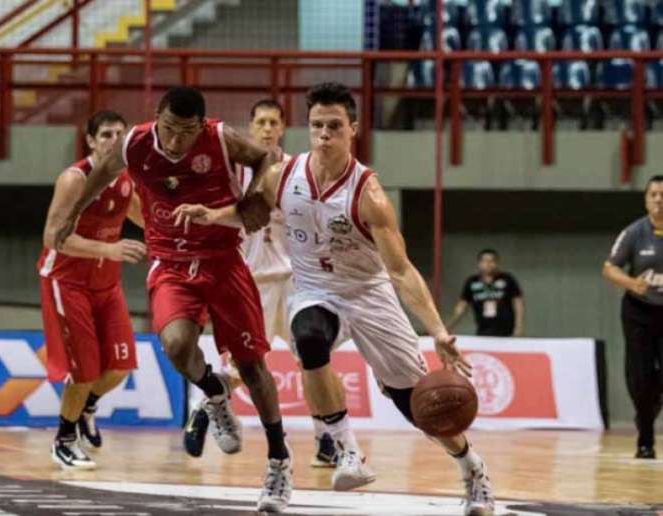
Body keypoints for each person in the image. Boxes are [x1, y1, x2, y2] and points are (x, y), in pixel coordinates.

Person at [174, 82, 496, 514]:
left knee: (419, 405)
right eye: (317, 125)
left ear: (353, 130)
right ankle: (346, 449)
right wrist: (212, 215)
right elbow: (249, 215)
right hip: (314, 289)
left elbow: (400, 270)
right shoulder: (282, 176)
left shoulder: (369, 194)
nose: (324, 134)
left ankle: (472, 469)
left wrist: (438, 329)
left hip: (369, 295)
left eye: (334, 126)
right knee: (308, 339)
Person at [48, 87, 292, 513]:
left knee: (253, 367)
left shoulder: (221, 138)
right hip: (172, 263)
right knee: (177, 345)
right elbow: (102, 172)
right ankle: (214, 395)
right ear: (155, 117)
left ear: (200, 124)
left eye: (186, 131)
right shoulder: (136, 143)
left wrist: (254, 199)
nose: (177, 140)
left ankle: (279, 461)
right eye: (169, 129)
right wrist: (72, 214)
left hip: (223, 259)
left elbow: (265, 158)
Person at [182, 99, 345, 470]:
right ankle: (203, 407)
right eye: (261, 123)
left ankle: (326, 440)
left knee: (314, 360)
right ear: (251, 127)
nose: (268, 129)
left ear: (283, 127)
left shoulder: (298, 170)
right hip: (251, 281)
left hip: (296, 280)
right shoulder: (234, 173)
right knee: (244, 368)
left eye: (274, 122)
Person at [38, 110, 147, 470]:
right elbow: (53, 238)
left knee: (121, 365)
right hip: (67, 281)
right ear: (90, 140)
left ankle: (87, 406)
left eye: (120, 134)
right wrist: (108, 249)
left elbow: (144, 219)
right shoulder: (74, 179)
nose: (114, 141)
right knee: (83, 371)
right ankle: (64, 440)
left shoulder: (126, 178)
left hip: (106, 284)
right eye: (105, 135)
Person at [602, 175, 663, 460]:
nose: (659, 200)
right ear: (646, 199)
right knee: (639, 377)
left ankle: (651, 405)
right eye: (653, 194)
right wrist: (630, 283)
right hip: (639, 311)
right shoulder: (635, 232)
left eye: (662, 195)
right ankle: (645, 439)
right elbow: (609, 268)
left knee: (657, 380)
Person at [447, 249, 525, 337]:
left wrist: (519, 326)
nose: (488, 264)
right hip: (483, 328)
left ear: (496, 263)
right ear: (479, 263)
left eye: (491, 261)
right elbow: (461, 307)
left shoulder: (507, 279)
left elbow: (518, 303)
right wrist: (449, 326)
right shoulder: (472, 282)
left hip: (506, 330)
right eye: (485, 261)